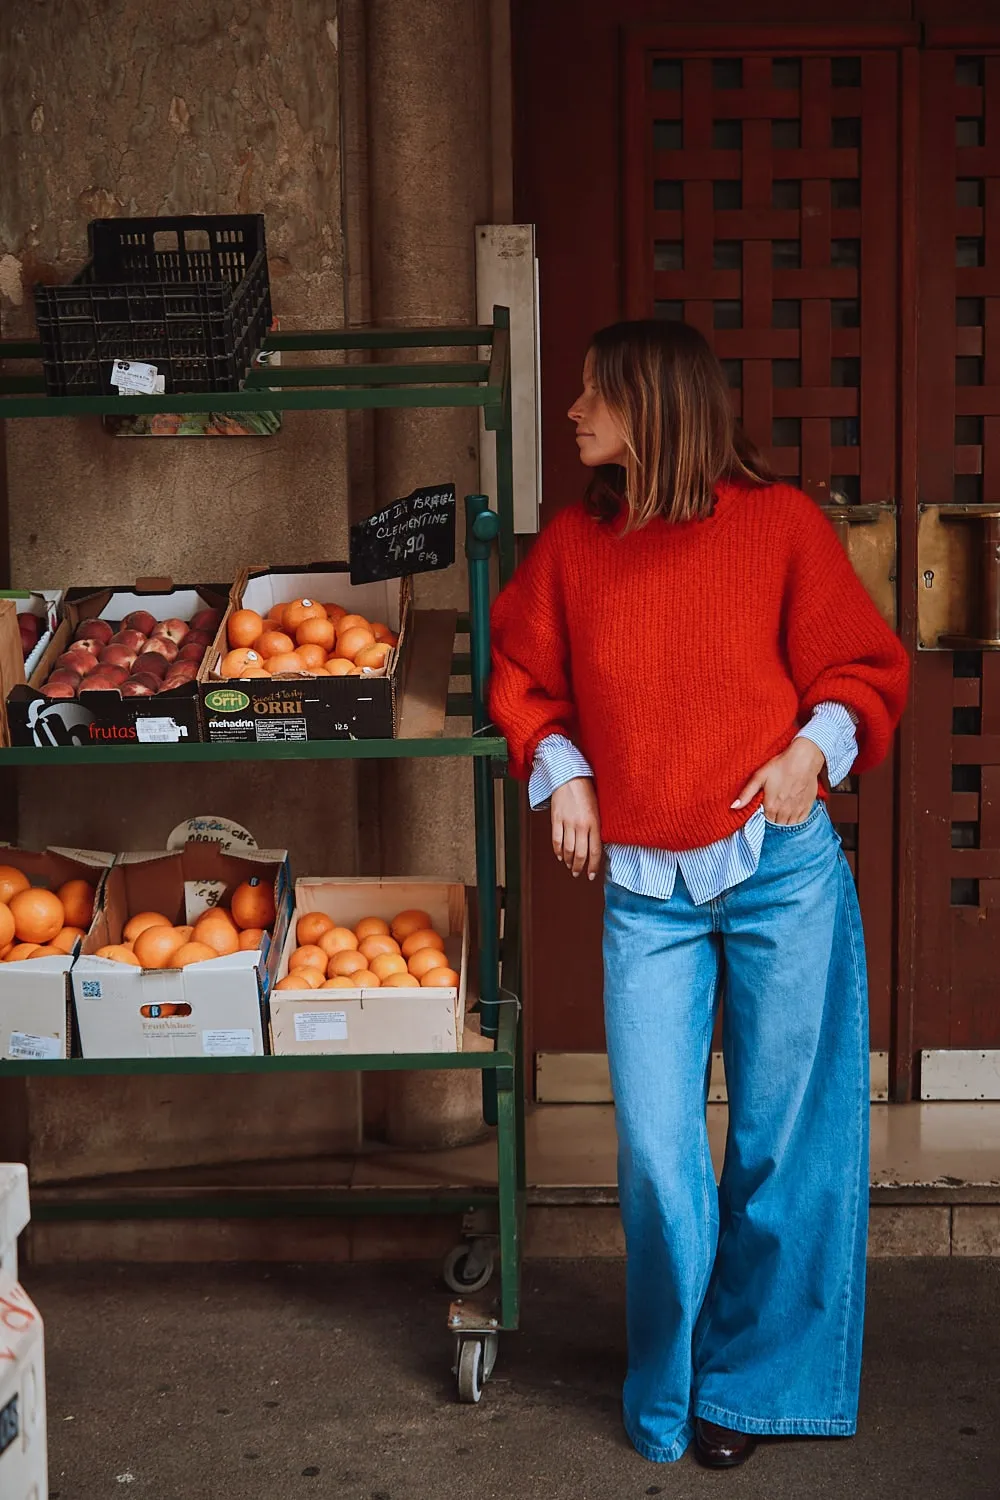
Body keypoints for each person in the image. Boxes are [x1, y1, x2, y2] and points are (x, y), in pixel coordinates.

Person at [488, 320, 910, 1470]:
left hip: (780, 874)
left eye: (595, 393)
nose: (572, 410)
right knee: (658, 1156)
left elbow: (859, 666)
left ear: (657, 410)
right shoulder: (577, 545)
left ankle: (753, 1389)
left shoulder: (777, 526)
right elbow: (521, 674)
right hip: (648, 895)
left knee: (785, 1142)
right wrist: (562, 770)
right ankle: (670, 1378)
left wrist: (809, 754)